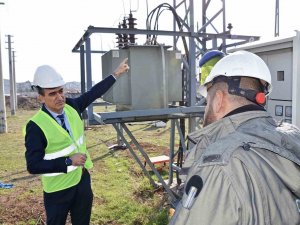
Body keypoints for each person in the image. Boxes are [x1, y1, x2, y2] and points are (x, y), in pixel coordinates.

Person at [169, 50, 300, 224]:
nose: (206, 109)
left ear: (218, 100)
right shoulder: (293, 137)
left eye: (207, 101)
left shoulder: (219, 166)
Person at [24, 58, 129, 225]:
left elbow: (93, 93)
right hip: (57, 190)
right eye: (52, 93)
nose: (59, 97)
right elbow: (33, 165)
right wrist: (68, 161)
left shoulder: (72, 106)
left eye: (60, 91)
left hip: (81, 181)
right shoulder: (35, 126)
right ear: (40, 98)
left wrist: (116, 74)